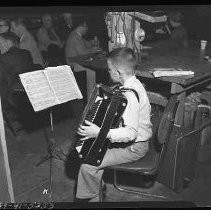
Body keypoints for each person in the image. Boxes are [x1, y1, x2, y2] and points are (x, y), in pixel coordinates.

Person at [75, 47, 152, 202]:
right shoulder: (135, 84)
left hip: (134, 147)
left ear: (118, 73)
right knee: (88, 149)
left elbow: (131, 133)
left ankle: (92, 198)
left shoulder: (129, 95)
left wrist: (99, 133)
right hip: (133, 142)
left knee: (88, 165)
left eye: (110, 70)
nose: (108, 72)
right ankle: (97, 188)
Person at [65, 17, 100, 100]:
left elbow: (85, 44)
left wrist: (92, 43)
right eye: (86, 27)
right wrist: (95, 50)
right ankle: (91, 99)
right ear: (81, 27)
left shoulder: (76, 35)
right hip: (74, 65)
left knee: (93, 70)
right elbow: (82, 53)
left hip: (77, 62)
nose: (87, 29)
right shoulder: (75, 37)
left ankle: (94, 96)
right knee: (92, 73)